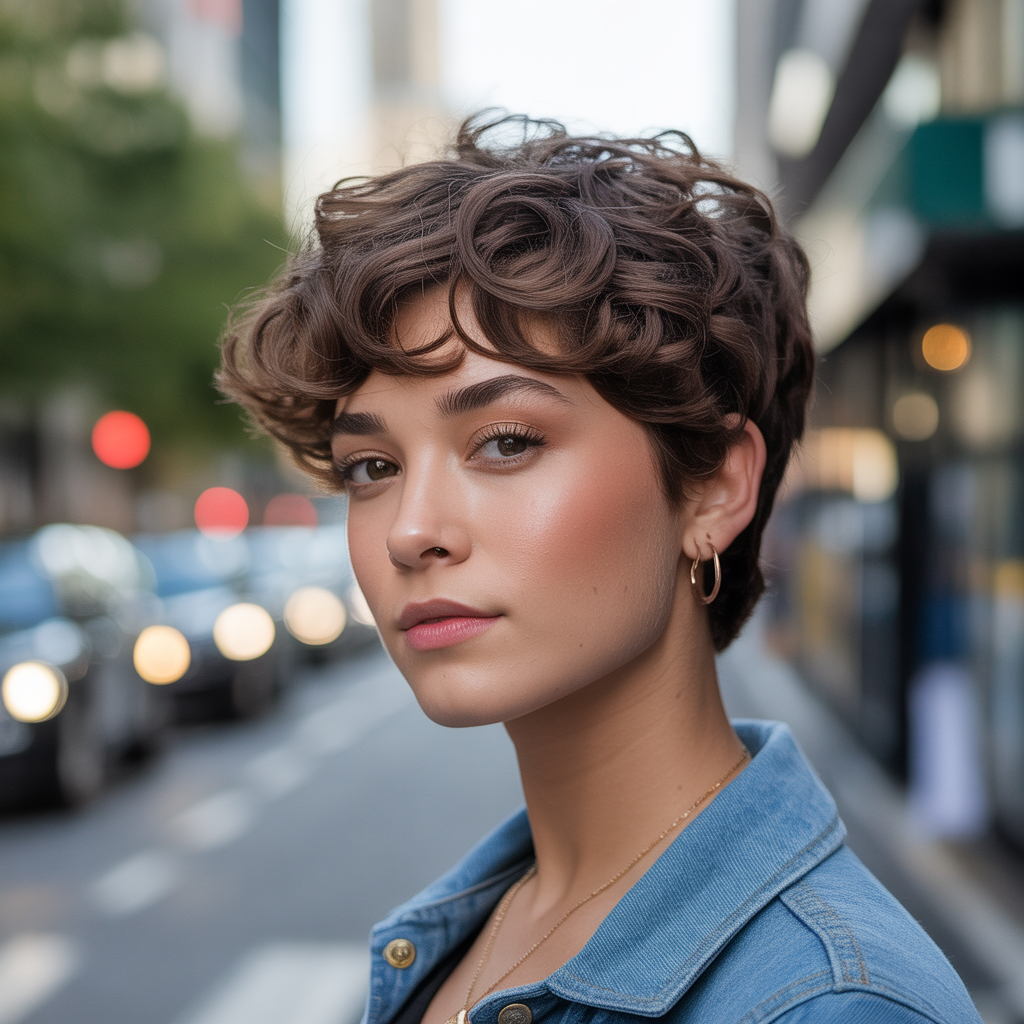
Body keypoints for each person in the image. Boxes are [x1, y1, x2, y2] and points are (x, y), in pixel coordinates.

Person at [218, 115, 980, 1023]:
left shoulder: (831, 1005)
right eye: (372, 468)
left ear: (710, 491)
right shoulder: (466, 930)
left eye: (504, 442)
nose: (410, 531)